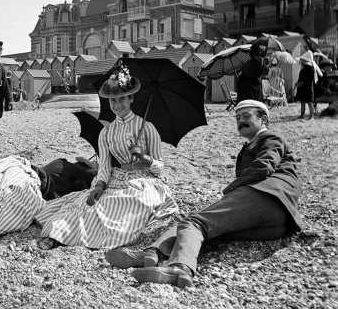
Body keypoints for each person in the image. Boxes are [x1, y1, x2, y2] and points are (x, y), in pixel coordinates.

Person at [106, 100, 303, 289]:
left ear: (264, 120)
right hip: (275, 224)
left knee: (195, 223)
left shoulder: (271, 138)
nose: (240, 121)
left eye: (246, 116)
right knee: (201, 227)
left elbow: (263, 167)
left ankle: (179, 266)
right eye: (237, 118)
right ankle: (152, 253)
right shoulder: (252, 144)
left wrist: (230, 189)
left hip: (267, 196)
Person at [34, 65, 178, 250]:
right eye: (113, 101)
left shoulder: (147, 127)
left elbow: (160, 166)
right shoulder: (106, 132)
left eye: (122, 99)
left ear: (131, 98)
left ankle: (106, 240)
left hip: (145, 181)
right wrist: (100, 185)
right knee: (87, 204)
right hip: (116, 179)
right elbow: (104, 167)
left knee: (131, 203)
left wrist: (145, 159)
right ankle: (59, 236)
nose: (117, 105)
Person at [295, 51, 317, 120]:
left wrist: (299, 83)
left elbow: (305, 80)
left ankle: (308, 116)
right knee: (307, 102)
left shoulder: (307, 70)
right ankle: (309, 116)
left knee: (307, 102)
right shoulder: (311, 69)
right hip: (308, 87)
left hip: (306, 87)